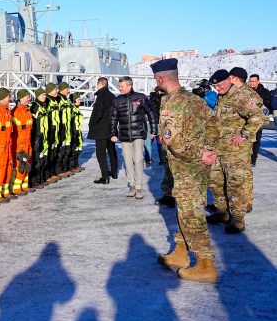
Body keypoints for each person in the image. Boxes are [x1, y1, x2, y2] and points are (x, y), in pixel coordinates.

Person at [152, 58, 219, 283]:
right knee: (187, 209)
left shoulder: (172, 104)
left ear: (161, 78)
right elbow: (213, 126)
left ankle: (205, 264)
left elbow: (174, 142)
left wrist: (200, 154)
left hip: (186, 167)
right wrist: (209, 151)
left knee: (191, 213)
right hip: (199, 167)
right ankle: (181, 251)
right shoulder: (196, 100)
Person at [205, 69, 269, 233]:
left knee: (235, 185)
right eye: (215, 87)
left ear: (229, 80)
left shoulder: (241, 96)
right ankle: (223, 212)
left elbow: (259, 117)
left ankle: (238, 220)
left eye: (220, 85)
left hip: (235, 152)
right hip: (219, 149)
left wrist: (245, 134)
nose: (218, 89)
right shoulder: (222, 96)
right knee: (216, 182)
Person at [110, 76, 158, 199]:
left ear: (129, 86)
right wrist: (113, 133)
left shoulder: (140, 97)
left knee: (137, 159)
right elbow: (113, 118)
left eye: (122, 86)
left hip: (139, 133)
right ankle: (131, 184)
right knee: (127, 160)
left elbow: (151, 113)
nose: (120, 88)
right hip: (124, 135)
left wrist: (154, 130)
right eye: (119, 86)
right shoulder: (117, 100)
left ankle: (138, 187)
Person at [88, 77, 117, 184]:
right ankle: (114, 172)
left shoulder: (101, 96)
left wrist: (91, 123)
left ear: (99, 84)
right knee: (111, 150)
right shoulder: (112, 96)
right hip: (111, 128)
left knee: (101, 153)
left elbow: (98, 113)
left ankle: (105, 177)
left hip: (101, 129)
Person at [10, 89, 34, 195]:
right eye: (26, 97)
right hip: (20, 144)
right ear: (20, 98)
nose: (29, 99)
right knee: (20, 165)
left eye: (29, 97)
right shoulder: (15, 112)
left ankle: (24, 185)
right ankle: (16, 187)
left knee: (27, 163)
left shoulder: (27, 111)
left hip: (27, 143)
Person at [248, 73, 272, 166]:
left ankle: (253, 159)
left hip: (258, 119)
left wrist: (258, 104)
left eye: (254, 81)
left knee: (256, 140)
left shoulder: (264, 92)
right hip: (246, 118)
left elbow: (267, 105)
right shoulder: (244, 91)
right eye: (250, 81)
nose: (252, 83)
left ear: (258, 81)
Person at [29, 88, 49, 189]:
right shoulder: (35, 106)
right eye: (42, 95)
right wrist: (35, 136)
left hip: (43, 135)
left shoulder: (43, 106)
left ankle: (40, 177)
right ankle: (34, 180)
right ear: (37, 96)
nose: (44, 97)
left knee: (42, 157)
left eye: (45, 95)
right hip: (37, 135)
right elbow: (33, 122)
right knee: (37, 158)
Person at [44, 82, 61, 182]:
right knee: (49, 153)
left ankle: (52, 171)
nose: (57, 91)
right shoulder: (47, 101)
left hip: (56, 130)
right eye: (55, 89)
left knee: (54, 152)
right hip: (49, 130)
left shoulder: (55, 100)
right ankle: (47, 174)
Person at [58, 82, 75, 176]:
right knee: (61, 150)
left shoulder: (66, 100)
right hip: (61, 128)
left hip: (67, 128)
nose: (69, 91)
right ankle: (59, 170)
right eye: (67, 89)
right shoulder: (59, 100)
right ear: (62, 90)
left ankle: (64, 168)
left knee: (66, 149)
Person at [69, 93, 84, 171]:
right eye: (78, 99)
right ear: (74, 100)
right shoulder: (71, 109)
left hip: (78, 131)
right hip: (73, 131)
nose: (80, 101)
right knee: (73, 149)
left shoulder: (77, 109)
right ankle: (72, 166)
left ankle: (76, 164)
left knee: (78, 148)